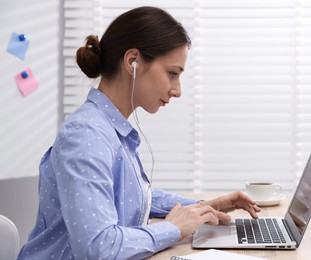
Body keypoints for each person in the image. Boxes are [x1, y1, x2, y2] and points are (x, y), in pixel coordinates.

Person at [18, 6, 260, 259]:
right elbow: (98, 248)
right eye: (172, 73)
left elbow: (128, 196)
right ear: (133, 62)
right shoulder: (86, 134)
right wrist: (174, 228)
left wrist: (205, 206)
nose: (177, 90)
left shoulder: (108, 129)